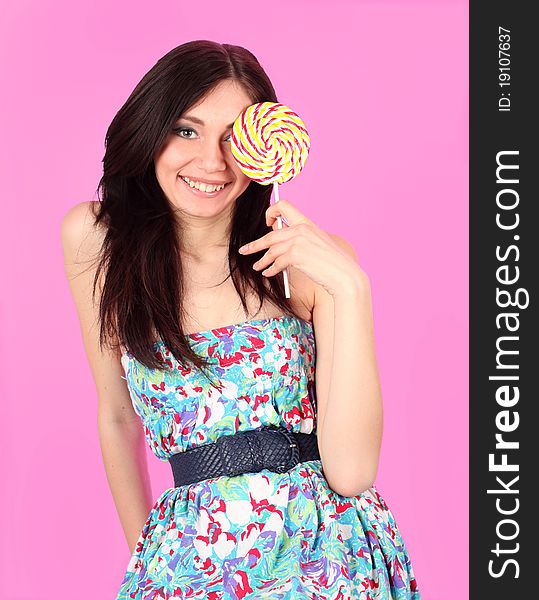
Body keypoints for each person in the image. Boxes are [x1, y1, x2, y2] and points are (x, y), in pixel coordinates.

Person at [61, 40, 420, 600]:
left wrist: (351, 289)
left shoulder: (306, 265)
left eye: (233, 137)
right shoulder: (97, 240)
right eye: (186, 130)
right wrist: (150, 557)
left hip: (327, 560)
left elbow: (351, 471)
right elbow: (117, 418)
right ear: (150, 131)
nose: (211, 161)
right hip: (189, 557)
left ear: (264, 148)